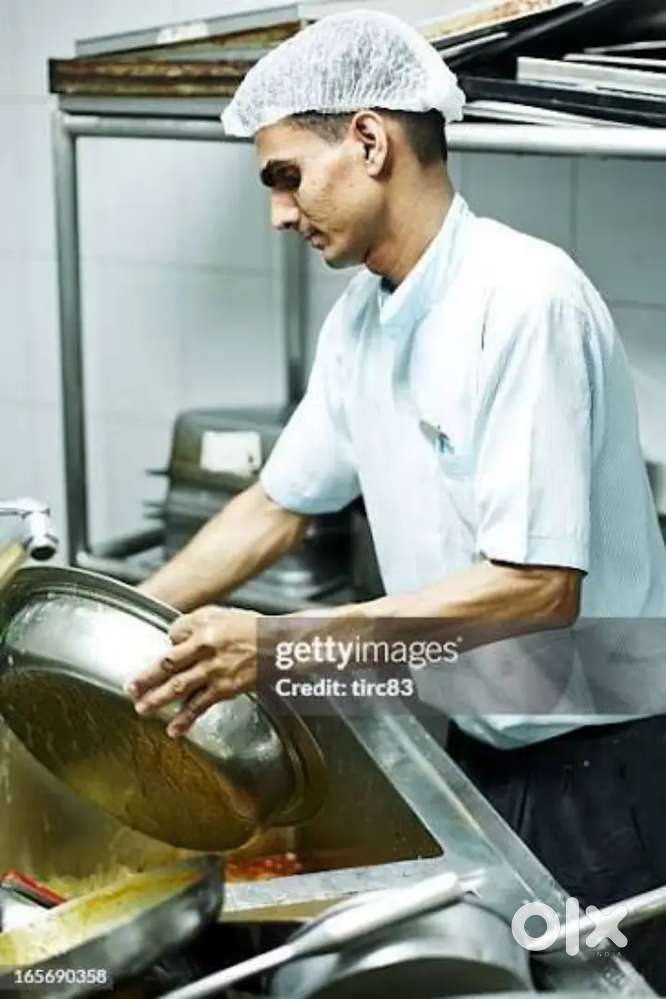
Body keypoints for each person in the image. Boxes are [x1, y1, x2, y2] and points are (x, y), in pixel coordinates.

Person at [126, 11, 666, 989]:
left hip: (608, 765)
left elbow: (538, 587)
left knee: (604, 985)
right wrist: (124, 621)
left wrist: (280, 647)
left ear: (370, 142)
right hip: (491, 740)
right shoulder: (362, 323)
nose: (278, 214)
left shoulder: (523, 301)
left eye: (285, 176)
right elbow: (280, 503)